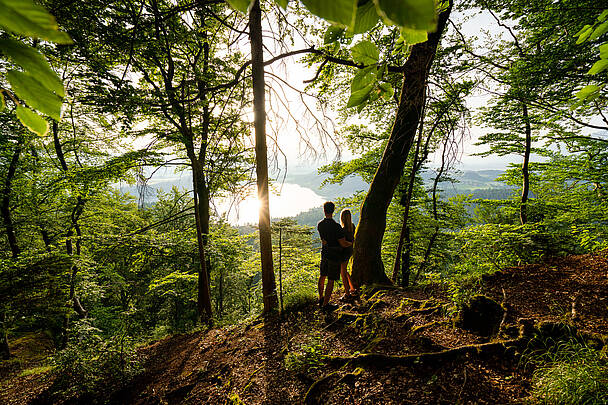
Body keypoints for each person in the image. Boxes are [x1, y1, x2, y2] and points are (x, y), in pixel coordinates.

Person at [317, 201, 351, 311]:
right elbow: (343, 243)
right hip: (334, 255)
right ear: (333, 211)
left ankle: (321, 298)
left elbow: (323, 240)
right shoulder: (337, 227)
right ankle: (326, 304)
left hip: (325, 253)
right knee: (331, 279)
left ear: (324, 210)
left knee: (322, 275)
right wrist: (351, 243)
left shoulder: (320, 225)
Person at [339, 209, 357, 299]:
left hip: (344, 252)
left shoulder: (342, 230)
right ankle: (352, 288)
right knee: (344, 270)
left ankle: (347, 293)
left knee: (343, 273)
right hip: (350, 251)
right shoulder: (352, 226)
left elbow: (343, 243)